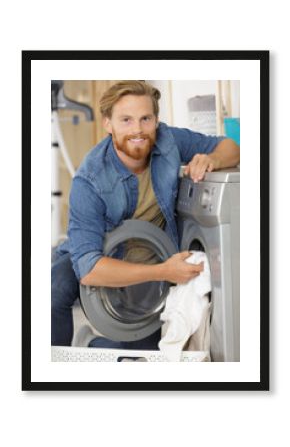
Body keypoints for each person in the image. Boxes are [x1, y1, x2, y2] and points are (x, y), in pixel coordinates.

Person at [51, 80, 240, 349]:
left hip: (151, 254)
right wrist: (163, 271)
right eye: (125, 120)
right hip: (101, 256)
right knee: (52, 289)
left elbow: (230, 146)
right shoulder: (90, 179)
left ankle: (91, 343)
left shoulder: (167, 139)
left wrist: (214, 160)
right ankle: (49, 373)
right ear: (108, 124)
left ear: (156, 120)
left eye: (145, 119)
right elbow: (90, 268)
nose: (137, 130)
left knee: (137, 356)